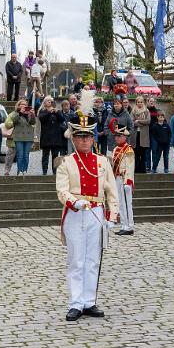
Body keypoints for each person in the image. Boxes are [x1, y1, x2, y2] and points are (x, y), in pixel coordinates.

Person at [55, 121, 118, 320]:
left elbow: (112, 191)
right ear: (74, 139)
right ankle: (76, 302)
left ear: (93, 139)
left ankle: (89, 301)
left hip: (96, 212)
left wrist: (112, 215)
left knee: (93, 259)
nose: (84, 140)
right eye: (80, 137)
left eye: (88, 137)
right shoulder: (66, 162)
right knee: (76, 259)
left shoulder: (102, 162)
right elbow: (61, 190)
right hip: (75, 213)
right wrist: (74, 202)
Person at [5, 99, 36, 175]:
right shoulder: (15, 114)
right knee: (20, 155)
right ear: (18, 105)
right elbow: (12, 123)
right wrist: (20, 113)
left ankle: (24, 170)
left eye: (25, 104)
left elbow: (33, 122)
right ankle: (19, 170)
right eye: (22, 104)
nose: (24, 106)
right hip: (18, 137)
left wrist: (32, 115)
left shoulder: (28, 113)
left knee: (26, 155)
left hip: (28, 137)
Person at [37, 97, 67, 174]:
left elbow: (62, 119)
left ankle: (55, 172)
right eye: (48, 101)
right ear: (44, 103)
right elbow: (42, 119)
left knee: (55, 156)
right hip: (46, 137)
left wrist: (57, 112)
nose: (50, 102)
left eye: (51, 101)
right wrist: (49, 112)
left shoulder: (57, 111)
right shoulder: (42, 111)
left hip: (56, 137)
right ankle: (44, 171)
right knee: (45, 156)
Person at [150, 103, 171, 173]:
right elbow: (154, 135)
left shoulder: (166, 125)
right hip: (159, 144)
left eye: (162, 117)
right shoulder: (155, 126)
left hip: (166, 144)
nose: (161, 118)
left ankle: (166, 168)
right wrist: (159, 140)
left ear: (164, 118)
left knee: (166, 157)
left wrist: (168, 140)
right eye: (160, 117)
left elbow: (169, 133)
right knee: (157, 157)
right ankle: (154, 168)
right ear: (157, 117)